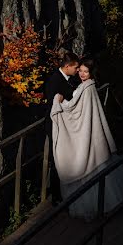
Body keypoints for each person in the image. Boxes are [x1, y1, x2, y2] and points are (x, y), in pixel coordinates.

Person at [50, 58, 123, 220]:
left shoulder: (87, 87)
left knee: (90, 168)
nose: (82, 74)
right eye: (80, 70)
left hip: (89, 133)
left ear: (91, 73)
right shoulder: (89, 86)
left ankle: (94, 209)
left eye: (86, 71)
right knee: (97, 166)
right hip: (94, 135)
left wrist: (59, 102)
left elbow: (74, 109)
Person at [42, 52, 81, 203]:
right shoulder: (54, 81)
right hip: (55, 125)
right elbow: (53, 105)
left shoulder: (69, 79)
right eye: (76, 67)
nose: (77, 70)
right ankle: (56, 197)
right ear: (67, 66)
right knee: (56, 158)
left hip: (65, 124)